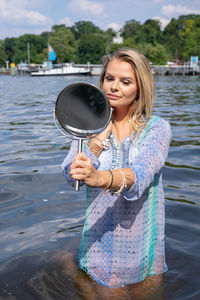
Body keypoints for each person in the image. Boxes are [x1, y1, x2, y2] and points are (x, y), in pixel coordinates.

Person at [61, 48, 171, 292]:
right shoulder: (86, 127)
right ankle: (73, 267)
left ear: (140, 87)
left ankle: (70, 266)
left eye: (125, 81)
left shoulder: (156, 129)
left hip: (145, 245)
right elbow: (70, 175)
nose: (114, 87)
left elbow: (142, 173)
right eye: (109, 78)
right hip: (101, 244)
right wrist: (98, 141)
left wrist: (99, 177)